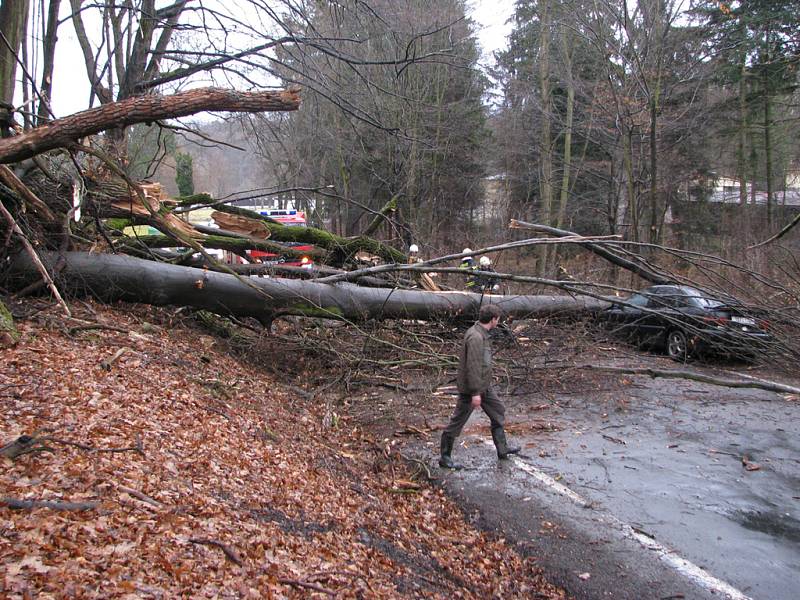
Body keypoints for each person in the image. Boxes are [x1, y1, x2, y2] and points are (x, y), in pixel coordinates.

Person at [439, 304, 521, 468]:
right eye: (498, 319)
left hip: (484, 386)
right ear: (493, 319)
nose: (498, 322)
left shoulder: (481, 334)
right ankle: (445, 457)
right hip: (472, 389)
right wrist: (475, 393)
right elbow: (473, 366)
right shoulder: (476, 337)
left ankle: (502, 450)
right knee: (457, 422)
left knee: (498, 411)